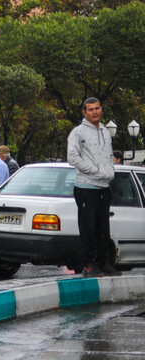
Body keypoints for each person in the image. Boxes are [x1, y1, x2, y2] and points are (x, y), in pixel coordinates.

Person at [67, 97, 121, 278]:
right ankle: (88, 265)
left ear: (101, 109)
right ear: (85, 112)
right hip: (86, 186)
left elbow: (109, 155)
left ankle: (103, 263)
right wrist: (95, 170)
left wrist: (109, 171)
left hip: (104, 187)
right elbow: (72, 158)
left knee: (103, 229)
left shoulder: (105, 131)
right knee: (88, 228)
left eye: (97, 108)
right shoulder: (78, 132)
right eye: (90, 109)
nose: (95, 112)